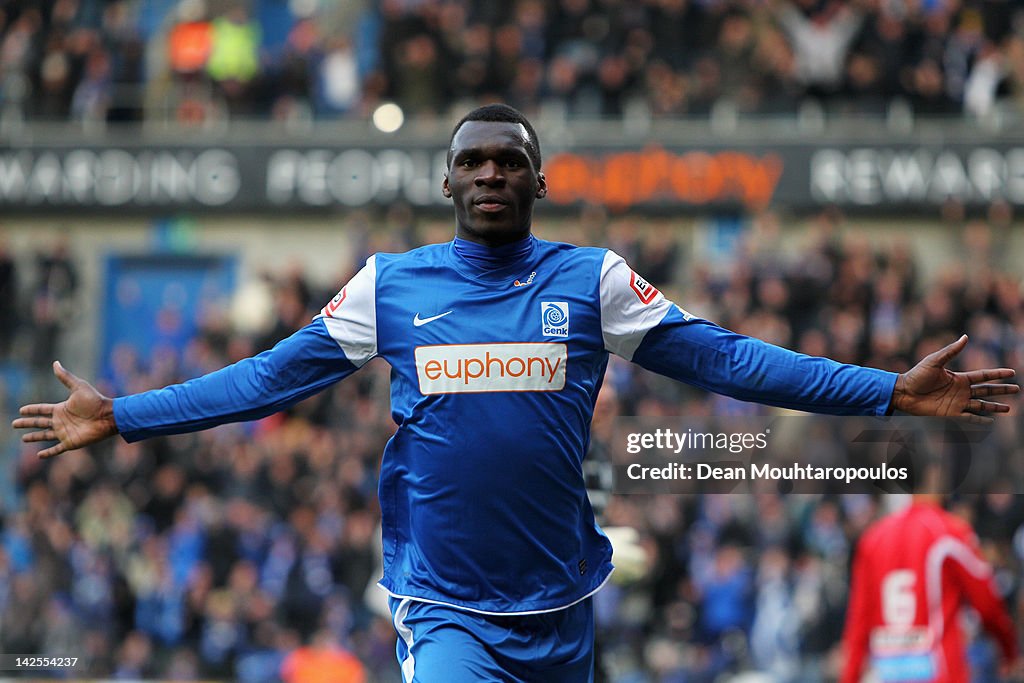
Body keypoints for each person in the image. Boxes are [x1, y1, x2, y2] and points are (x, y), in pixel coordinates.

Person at [13, 104, 1019, 682]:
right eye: (473, 162)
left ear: (537, 181)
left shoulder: (592, 282)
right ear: (449, 182)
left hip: (564, 602)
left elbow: (731, 359)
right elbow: (270, 376)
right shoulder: (389, 286)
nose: (492, 174)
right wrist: (126, 413)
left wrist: (887, 391)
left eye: (511, 161)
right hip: (443, 604)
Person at [840, 489, 1019, 683]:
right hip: (938, 671)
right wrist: (1009, 651)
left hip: (888, 671)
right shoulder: (947, 532)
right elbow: (988, 605)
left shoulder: (872, 539)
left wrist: (850, 676)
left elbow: (858, 621)